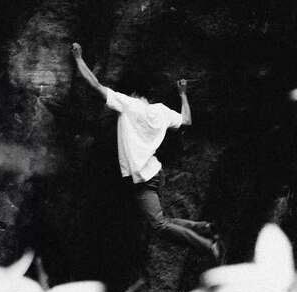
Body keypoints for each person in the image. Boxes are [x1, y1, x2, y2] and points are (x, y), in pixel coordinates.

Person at [71, 42, 221, 260]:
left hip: (143, 179)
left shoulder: (127, 104)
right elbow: (187, 120)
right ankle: (206, 228)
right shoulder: (160, 111)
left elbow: (95, 85)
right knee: (163, 219)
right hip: (156, 174)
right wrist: (183, 94)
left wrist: (78, 59)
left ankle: (208, 246)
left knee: (158, 225)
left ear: (132, 91)